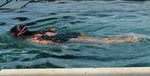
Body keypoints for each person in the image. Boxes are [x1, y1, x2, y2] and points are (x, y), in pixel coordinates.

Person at [9, 24, 143, 45]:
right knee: (101, 39)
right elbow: (52, 29)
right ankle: (127, 37)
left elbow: (47, 42)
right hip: (71, 33)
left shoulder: (32, 39)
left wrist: (61, 46)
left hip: (67, 38)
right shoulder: (38, 31)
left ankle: (131, 39)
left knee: (102, 42)